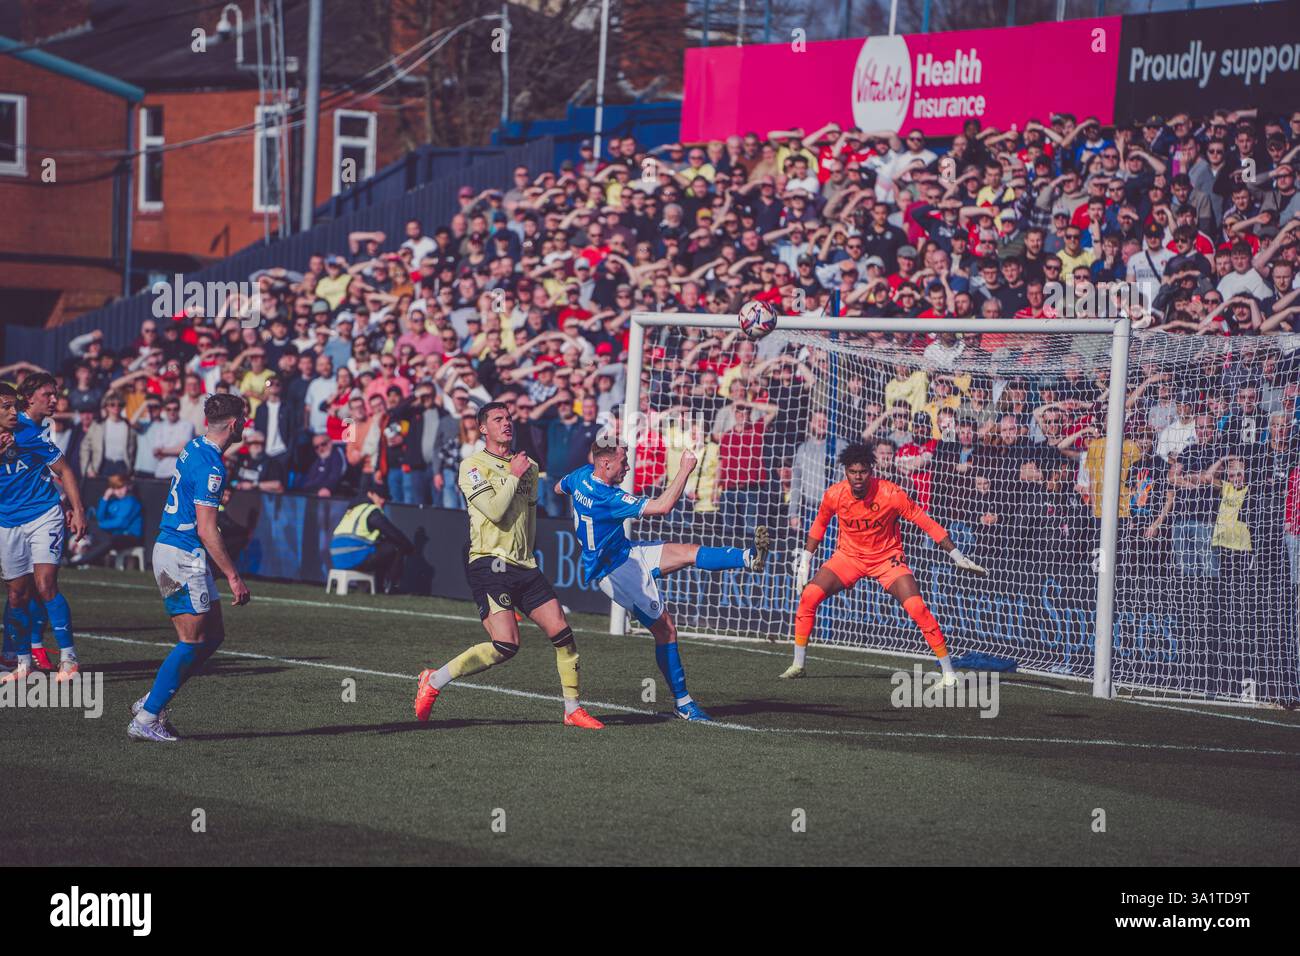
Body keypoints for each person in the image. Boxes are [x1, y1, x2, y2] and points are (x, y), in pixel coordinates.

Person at [413, 402, 603, 728]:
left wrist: (529, 554)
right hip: (488, 562)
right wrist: (512, 476)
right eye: (498, 419)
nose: (507, 424)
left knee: (563, 634)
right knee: (506, 645)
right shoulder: (472, 466)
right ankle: (433, 680)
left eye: (509, 419)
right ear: (482, 428)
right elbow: (496, 510)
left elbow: (527, 517)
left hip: (524, 565)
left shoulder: (529, 466)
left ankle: (572, 709)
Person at [555, 440, 770, 722]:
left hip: (626, 551)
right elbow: (663, 506)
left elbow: (560, 486)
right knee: (666, 630)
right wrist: (685, 470)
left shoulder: (582, 475)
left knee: (688, 552)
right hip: (616, 572)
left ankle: (748, 558)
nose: (628, 466)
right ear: (605, 464)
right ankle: (683, 703)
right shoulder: (606, 497)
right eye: (623, 461)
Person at [780, 443, 986, 681]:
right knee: (808, 597)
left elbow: (926, 523)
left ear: (871, 470)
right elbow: (820, 524)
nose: (858, 477)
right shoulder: (835, 494)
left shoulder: (891, 493)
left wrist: (956, 555)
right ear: (845, 471)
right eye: (853, 472)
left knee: (917, 608)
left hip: (887, 559)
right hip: (849, 558)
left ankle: (949, 674)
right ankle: (798, 664)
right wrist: (806, 559)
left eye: (863, 472)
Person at [128, 393, 251, 743]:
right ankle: (148, 716)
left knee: (213, 637)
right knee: (192, 640)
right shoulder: (212, 466)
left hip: (179, 551)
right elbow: (206, 528)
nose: (244, 424)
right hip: (181, 555)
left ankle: (152, 701)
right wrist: (233, 576)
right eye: (242, 419)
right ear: (233, 424)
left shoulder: (195, 445)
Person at [0, 382, 88, 683]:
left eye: (15, 405)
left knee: (45, 582)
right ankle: (22, 663)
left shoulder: (28, 433)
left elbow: (65, 470)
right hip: (7, 522)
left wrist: (77, 510)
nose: (15, 411)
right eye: (6, 407)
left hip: (43, 513)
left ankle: (68, 658)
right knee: (16, 594)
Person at [329, 478, 415, 593]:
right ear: (370, 494)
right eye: (380, 496)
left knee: (379, 547)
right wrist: (410, 548)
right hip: (354, 557)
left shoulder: (354, 509)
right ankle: (390, 588)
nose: (383, 500)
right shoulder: (372, 511)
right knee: (397, 546)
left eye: (385, 497)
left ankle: (374, 586)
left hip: (336, 558)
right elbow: (394, 533)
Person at [69, 474, 144, 567]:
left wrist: (98, 525)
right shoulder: (112, 501)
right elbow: (100, 517)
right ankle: (77, 553)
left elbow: (121, 523)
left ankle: (80, 561)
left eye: (122, 487)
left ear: (128, 486)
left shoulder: (132, 502)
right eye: (116, 488)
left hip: (130, 536)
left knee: (108, 540)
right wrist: (105, 498)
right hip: (113, 534)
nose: (119, 491)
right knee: (92, 530)